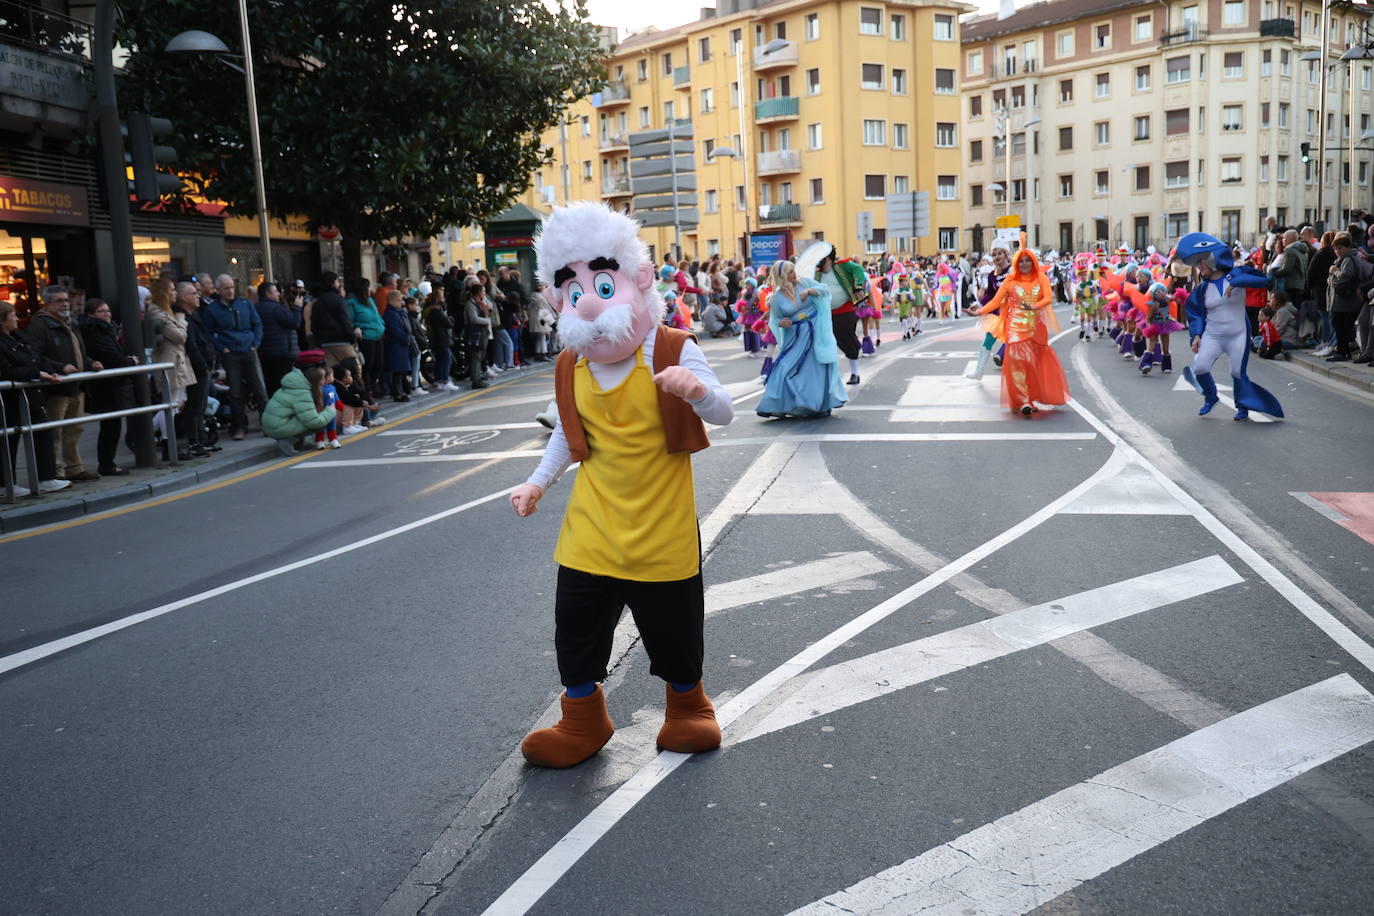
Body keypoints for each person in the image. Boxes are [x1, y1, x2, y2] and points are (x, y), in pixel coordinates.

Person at [509, 202, 733, 769]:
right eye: (574, 287)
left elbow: (726, 411)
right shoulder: (572, 365)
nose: (587, 298)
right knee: (576, 630)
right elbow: (566, 431)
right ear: (556, 297)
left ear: (635, 281)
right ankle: (583, 718)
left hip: (662, 529)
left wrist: (696, 392)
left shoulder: (674, 348)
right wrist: (537, 483)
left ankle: (687, 708)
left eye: (602, 282)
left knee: (674, 633)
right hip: (593, 528)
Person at [1177, 232, 1284, 421]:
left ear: (1213, 259)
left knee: (1237, 372)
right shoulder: (1202, 289)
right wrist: (1196, 336)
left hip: (1238, 335)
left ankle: (1242, 405)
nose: (1199, 267)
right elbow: (1195, 314)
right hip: (1213, 335)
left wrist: (1237, 281)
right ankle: (1211, 397)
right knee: (1200, 367)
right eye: (1197, 264)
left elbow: (1265, 281)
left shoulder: (1238, 273)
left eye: (1201, 262)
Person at [973, 248, 1070, 416]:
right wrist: (979, 311)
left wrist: (1034, 307)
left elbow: (1048, 298)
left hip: (1036, 327)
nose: (1024, 264)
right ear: (1016, 264)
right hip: (1015, 327)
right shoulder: (1010, 281)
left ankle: (1031, 397)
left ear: (1033, 262)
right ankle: (1024, 399)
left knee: (1033, 363)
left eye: (1028, 261)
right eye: (1021, 261)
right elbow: (996, 301)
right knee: (1019, 360)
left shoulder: (1041, 278)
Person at [23, 284, 101, 479]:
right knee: (55, 432)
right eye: (59, 301)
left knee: (75, 429)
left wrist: (91, 363)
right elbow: (36, 356)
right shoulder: (40, 325)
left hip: (76, 385)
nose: (65, 304)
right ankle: (56, 471)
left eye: (66, 300)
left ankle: (74, 467)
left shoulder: (69, 323)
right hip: (56, 387)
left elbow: (78, 353)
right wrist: (60, 367)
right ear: (47, 303)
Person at [756, 259, 847, 418]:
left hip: (815, 332)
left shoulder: (804, 283)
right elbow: (775, 320)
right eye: (790, 272)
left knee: (816, 368)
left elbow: (825, 290)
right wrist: (782, 323)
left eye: (793, 270)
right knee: (784, 367)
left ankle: (817, 405)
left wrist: (809, 291)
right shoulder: (777, 298)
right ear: (783, 276)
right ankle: (779, 403)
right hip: (795, 336)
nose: (794, 274)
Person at [0, 301, 72, 495]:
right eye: (12, 315)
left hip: (31, 396)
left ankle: (46, 478)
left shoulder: (18, 337)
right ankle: (6, 483)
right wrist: (37, 373)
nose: (16, 318)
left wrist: (53, 369)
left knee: (42, 433)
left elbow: (37, 358)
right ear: (2, 320)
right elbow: (7, 371)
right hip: (10, 399)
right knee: (8, 441)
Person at [78, 298, 138, 476]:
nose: (107, 314)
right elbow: (110, 354)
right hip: (106, 385)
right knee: (110, 426)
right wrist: (129, 361)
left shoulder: (105, 329)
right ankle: (106, 464)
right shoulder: (95, 331)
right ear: (91, 315)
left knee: (112, 425)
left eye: (108, 311)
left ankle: (107, 463)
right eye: (102, 311)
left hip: (111, 383)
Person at [203, 274, 265, 441]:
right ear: (219, 290)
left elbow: (257, 324)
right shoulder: (212, 310)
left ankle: (268, 424)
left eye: (231, 287)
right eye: (226, 288)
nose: (230, 291)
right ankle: (239, 427)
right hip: (230, 352)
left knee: (259, 389)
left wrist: (255, 344)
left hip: (249, 349)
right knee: (236, 392)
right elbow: (208, 333)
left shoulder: (245, 303)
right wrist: (222, 348)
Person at [146, 278, 195, 461]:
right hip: (169, 364)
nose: (175, 293)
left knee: (175, 403)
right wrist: (182, 322)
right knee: (171, 405)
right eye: (172, 290)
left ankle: (155, 434)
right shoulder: (158, 313)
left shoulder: (166, 312)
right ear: (164, 293)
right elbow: (179, 336)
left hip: (177, 363)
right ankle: (167, 443)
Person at [261, 349, 336, 456]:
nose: (325, 381)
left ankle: (300, 442)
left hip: (275, 423)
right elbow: (313, 421)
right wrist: (330, 411)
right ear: (315, 379)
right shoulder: (301, 392)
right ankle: (286, 441)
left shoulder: (299, 384)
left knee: (316, 415)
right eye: (323, 378)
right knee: (321, 420)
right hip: (276, 427)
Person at [813, 244, 866, 385]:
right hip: (825, 313)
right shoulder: (816, 274)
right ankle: (829, 375)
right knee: (828, 342)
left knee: (847, 340)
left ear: (829, 259)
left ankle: (854, 373)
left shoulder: (843, 267)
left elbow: (859, 269)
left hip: (845, 311)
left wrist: (857, 286)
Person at [178, 281, 218, 457]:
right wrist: (203, 365)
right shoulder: (184, 317)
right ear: (184, 298)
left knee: (201, 406)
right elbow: (192, 345)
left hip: (202, 366)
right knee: (195, 406)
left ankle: (201, 440)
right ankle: (195, 442)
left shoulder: (194, 315)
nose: (198, 296)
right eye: (194, 293)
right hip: (196, 368)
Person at [966, 244, 1011, 380]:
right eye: (994, 254)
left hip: (1014, 313)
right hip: (998, 313)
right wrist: (978, 305)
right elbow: (991, 296)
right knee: (987, 340)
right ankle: (979, 371)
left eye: (999, 253)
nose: (997, 257)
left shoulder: (1014, 271)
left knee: (1015, 343)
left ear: (1005, 254)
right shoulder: (992, 275)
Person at [255, 281, 301, 396]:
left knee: (271, 387)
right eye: (275, 292)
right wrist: (297, 308)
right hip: (283, 353)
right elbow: (294, 323)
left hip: (264, 353)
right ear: (268, 294)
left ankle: (273, 411)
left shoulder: (256, 308)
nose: (278, 294)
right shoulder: (276, 308)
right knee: (285, 387)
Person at [345, 276, 386, 396]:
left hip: (378, 335)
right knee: (368, 364)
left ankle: (373, 384)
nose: (370, 289)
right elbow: (349, 320)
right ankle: (368, 389)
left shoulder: (370, 301)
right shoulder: (351, 303)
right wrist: (355, 328)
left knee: (379, 364)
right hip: (366, 336)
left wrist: (382, 326)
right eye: (367, 287)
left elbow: (377, 316)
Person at [424, 290, 459, 390]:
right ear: (438, 299)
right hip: (441, 338)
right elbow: (448, 323)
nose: (444, 299)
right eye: (442, 297)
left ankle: (439, 380)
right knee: (446, 359)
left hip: (435, 338)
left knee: (440, 360)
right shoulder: (437, 311)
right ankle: (444, 380)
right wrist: (451, 319)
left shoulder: (430, 311)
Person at [382, 290, 413, 401]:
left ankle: (403, 390)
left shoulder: (399, 312)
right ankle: (397, 393)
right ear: (391, 301)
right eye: (399, 300)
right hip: (395, 345)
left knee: (401, 370)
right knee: (397, 370)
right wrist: (406, 338)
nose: (401, 302)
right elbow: (394, 329)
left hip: (401, 345)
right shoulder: (390, 313)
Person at [463, 278, 493, 389]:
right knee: (476, 357)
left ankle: (478, 377)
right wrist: (487, 321)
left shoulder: (479, 303)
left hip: (481, 332)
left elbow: (490, 308)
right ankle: (475, 380)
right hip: (475, 333)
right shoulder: (471, 304)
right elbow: (473, 319)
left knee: (480, 356)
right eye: (483, 291)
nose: (484, 293)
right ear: (478, 292)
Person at [525, 280, 556, 361]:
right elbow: (546, 307)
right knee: (542, 337)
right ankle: (542, 353)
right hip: (542, 318)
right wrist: (553, 315)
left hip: (539, 319)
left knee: (541, 337)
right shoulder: (539, 297)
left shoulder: (535, 296)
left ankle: (540, 353)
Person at [313, 365, 341, 449]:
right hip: (322, 411)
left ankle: (333, 439)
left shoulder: (332, 387)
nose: (333, 377)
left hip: (332, 410)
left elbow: (336, 397)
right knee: (321, 426)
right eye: (332, 375)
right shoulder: (319, 389)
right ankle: (319, 441)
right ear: (326, 377)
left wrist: (339, 404)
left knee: (332, 425)